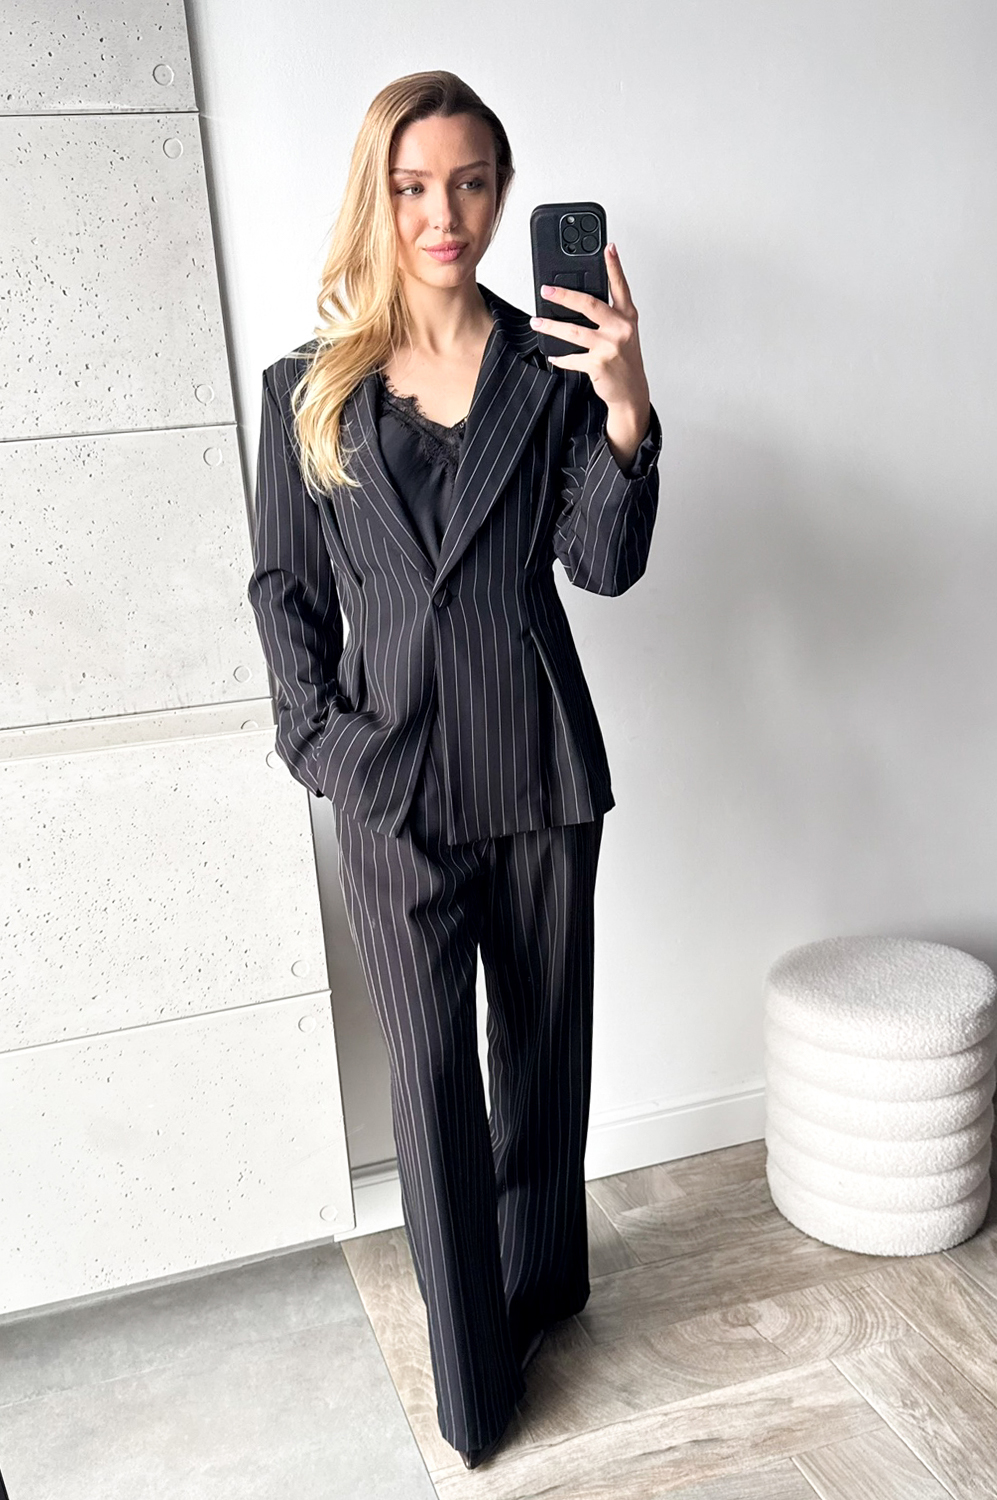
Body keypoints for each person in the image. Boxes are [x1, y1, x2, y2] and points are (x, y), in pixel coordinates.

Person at [247, 69, 662, 1469]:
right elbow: (286, 597)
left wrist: (623, 409)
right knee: (429, 1083)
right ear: (377, 196)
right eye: (414, 185)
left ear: (500, 194)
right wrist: (325, 747)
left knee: (540, 1061)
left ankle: (540, 1291)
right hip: (390, 790)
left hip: (537, 765)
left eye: (471, 183)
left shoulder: (550, 374)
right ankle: (472, 1380)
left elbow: (601, 566)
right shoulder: (306, 391)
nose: (444, 213)